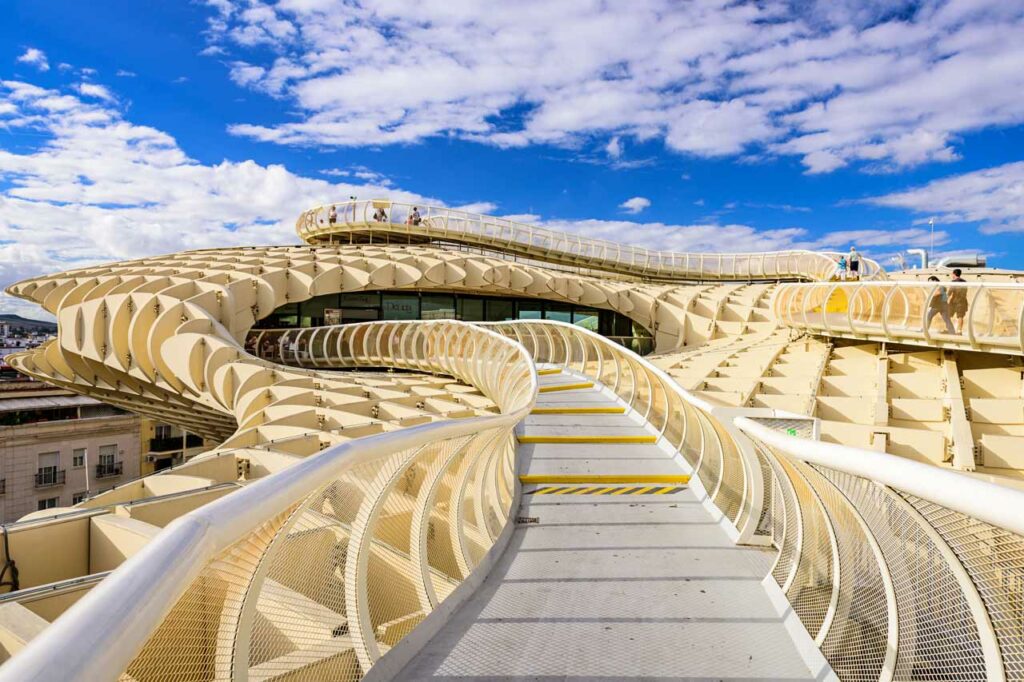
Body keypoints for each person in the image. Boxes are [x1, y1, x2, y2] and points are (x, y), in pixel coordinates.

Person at [949, 268, 968, 333]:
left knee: (948, 315)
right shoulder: (964, 282)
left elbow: (950, 292)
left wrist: (945, 298)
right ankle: (959, 330)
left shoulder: (953, 282)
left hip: (954, 301)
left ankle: (950, 328)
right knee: (960, 316)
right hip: (962, 301)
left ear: (954, 274)